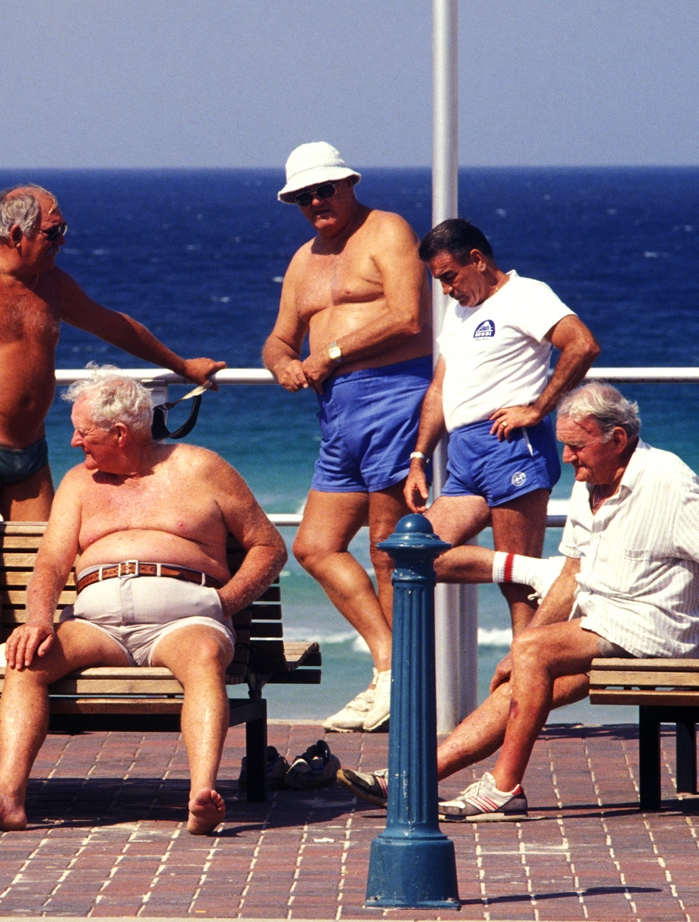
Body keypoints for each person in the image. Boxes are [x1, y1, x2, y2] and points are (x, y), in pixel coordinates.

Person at [339, 383, 699, 821]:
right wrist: (526, 646)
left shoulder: (668, 479)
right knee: (520, 680)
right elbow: (571, 575)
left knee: (532, 653)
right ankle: (412, 779)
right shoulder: (590, 480)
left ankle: (504, 789)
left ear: (616, 440)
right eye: (564, 445)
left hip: (662, 628)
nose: (566, 457)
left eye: (576, 446)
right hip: (609, 620)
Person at [0, 369, 286, 835]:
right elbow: (50, 563)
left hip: (184, 621)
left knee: (205, 658)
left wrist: (224, 602)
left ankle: (201, 797)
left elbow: (268, 546)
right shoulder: (79, 484)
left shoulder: (200, 468)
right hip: (96, 622)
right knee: (26, 662)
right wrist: (38, 621)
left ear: (120, 434)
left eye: (83, 432)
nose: (72, 442)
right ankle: (8, 796)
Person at [0, 184, 225, 521]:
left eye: (64, 230)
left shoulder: (54, 284)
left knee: (40, 556)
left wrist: (183, 366)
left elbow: (115, 327)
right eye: (52, 233)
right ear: (16, 235)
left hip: (30, 452)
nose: (62, 241)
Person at [261, 141, 434, 734]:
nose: (315, 202)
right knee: (314, 545)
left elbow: (410, 316)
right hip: (337, 413)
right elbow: (280, 338)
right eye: (303, 196)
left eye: (324, 189)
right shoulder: (303, 259)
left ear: (349, 184)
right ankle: (390, 668)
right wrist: (283, 363)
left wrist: (329, 353)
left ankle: (402, 686)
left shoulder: (386, 230)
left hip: (393, 396)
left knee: (389, 548)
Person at [405, 218, 600, 633]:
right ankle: (545, 572)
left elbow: (582, 344)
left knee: (519, 603)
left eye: (449, 277)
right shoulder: (457, 313)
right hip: (464, 456)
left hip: (512, 445)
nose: (445, 289)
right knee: (414, 554)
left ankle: (522, 696)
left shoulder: (526, 295)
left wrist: (538, 408)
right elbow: (440, 389)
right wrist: (419, 457)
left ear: (476, 259)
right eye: (438, 281)